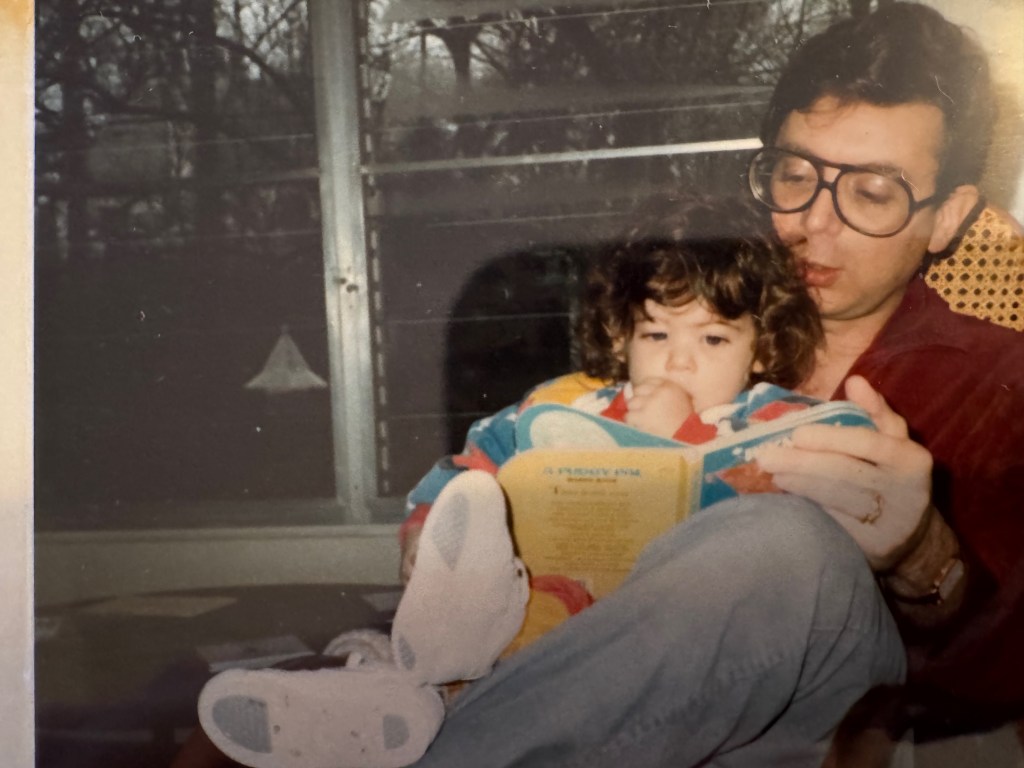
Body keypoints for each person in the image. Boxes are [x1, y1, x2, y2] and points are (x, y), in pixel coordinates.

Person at [175, 3, 1024, 767]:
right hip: (642, 721)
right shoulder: (668, 334)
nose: (811, 222)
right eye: (796, 175)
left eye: (873, 191)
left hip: (834, 719)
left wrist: (923, 560)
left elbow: (1008, 676)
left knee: (784, 543)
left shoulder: (1002, 383)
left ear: (949, 215)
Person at [194, 195, 835, 768]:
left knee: (503, 662)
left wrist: (678, 435)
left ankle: (412, 695)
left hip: (638, 641)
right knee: (461, 617)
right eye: (657, 333)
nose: (679, 359)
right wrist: (428, 528)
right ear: (621, 336)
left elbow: (788, 519)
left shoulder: (767, 421)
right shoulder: (566, 405)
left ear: (759, 347)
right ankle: (387, 691)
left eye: (715, 338)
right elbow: (474, 459)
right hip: (521, 605)